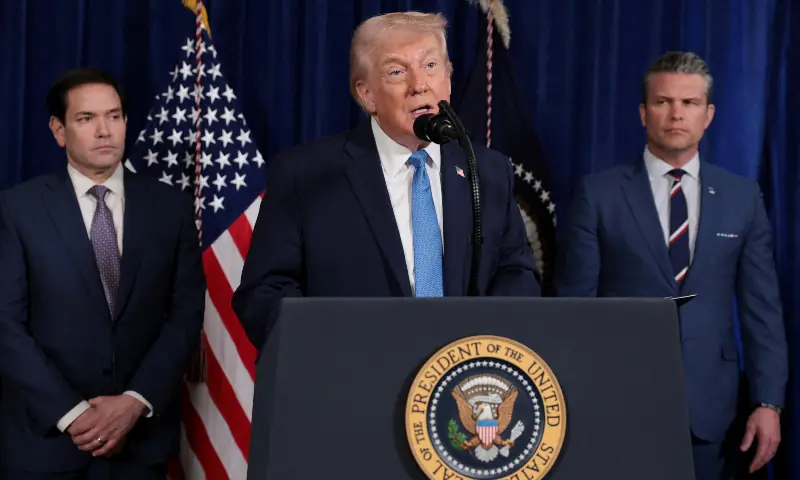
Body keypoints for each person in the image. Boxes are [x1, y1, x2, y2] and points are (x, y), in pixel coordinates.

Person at [232, 11, 539, 350]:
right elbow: (265, 293)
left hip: (460, 382)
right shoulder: (305, 176)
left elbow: (517, 274)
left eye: (431, 65)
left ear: (449, 79)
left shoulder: (487, 171)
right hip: (351, 385)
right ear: (367, 96)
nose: (419, 84)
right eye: (396, 71)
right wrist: (332, 356)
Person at [555, 51, 788, 479]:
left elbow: (762, 311)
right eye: (663, 102)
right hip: (617, 404)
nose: (675, 114)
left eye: (689, 103)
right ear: (644, 113)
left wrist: (768, 402)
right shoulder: (598, 194)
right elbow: (574, 308)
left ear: (708, 114)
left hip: (713, 412)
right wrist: (575, 397)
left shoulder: (742, 197)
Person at [0, 68, 205, 479]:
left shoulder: (170, 209)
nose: (103, 130)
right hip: (46, 445)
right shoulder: (17, 209)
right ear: (59, 131)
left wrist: (134, 401)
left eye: (114, 116)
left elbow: (184, 316)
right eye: (86, 118)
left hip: (140, 445)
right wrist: (74, 415)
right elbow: (6, 325)